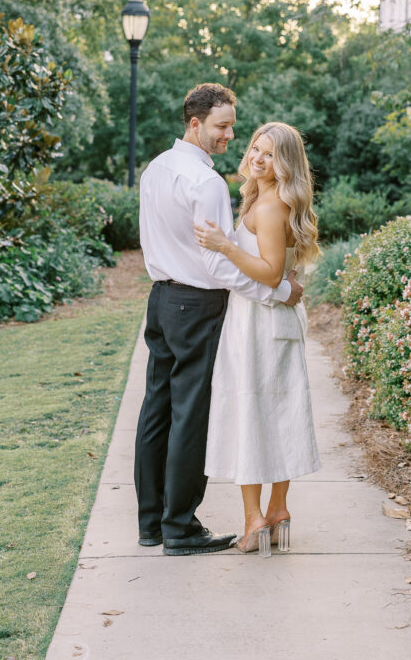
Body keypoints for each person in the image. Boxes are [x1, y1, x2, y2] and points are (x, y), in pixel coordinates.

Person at [134, 84, 304, 557]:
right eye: (222, 126)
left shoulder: (155, 169)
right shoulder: (206, 182)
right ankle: (180, 528)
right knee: (191, 416)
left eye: (232, 126)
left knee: (157, 410)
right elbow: (218, 266)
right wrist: (278, 292)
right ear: (196, 124)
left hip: (161, 298)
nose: (230, 135)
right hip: (196, 305)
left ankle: (151, 523)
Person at [195, 121, 321, 555]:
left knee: (249, 413)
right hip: (271, 321)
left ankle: (254, 522)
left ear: (286, 163)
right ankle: (278, 510)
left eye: (270, 154)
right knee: (278, 413)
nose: (258, 158)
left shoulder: (268, 208)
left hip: (258, 325)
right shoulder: (270, 200)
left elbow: (268, 273)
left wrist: (224, 245)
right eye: (255, 149)